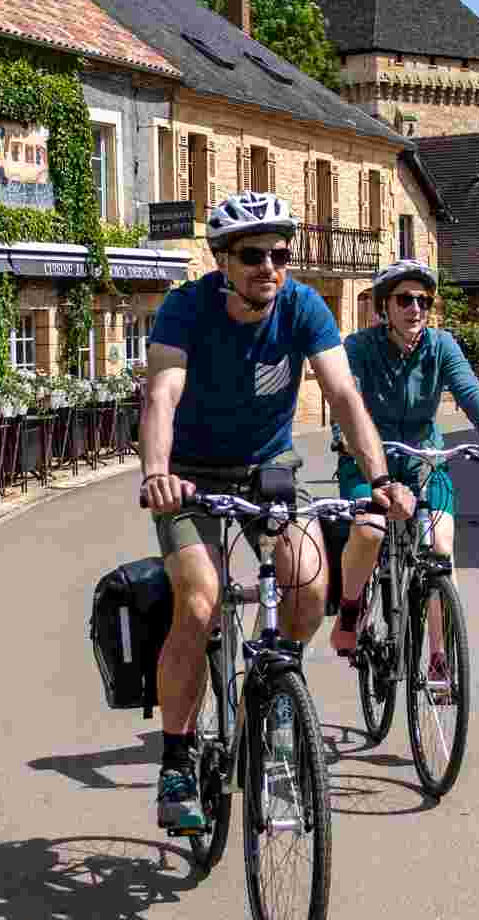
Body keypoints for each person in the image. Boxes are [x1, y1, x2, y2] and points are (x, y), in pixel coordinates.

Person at [139, 191, 412, 832]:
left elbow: (343, 393)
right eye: (253, 255)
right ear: (223, 261)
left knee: (310, 586)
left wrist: (379, 479)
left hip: (269, 470)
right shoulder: (187, 309)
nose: (270, 266)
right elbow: (163, 393)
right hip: (188, 475)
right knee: (200, 601)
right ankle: (177, 758)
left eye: (280, 254)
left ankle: (277, 699)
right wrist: (157, 474)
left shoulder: (302, 306)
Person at [331, 259, 479, 674]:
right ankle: (350, 608)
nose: (416, 307)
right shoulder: (359, 347)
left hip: (425, 463)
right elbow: (346, 397)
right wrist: (344, 435)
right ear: (385, 306)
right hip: (367, 462)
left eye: (423, 300)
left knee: (440, 551)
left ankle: (438, 656)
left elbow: (469, 390)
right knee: (369, 529)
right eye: (405, 299)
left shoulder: (441, 345)